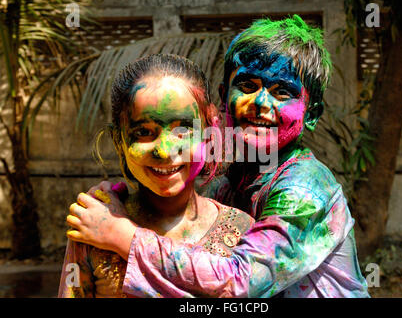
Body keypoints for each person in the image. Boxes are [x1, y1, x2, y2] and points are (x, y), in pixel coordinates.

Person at [67, 15, 370, 298]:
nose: (260, 103)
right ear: (225, 97)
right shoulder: (231, 183)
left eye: (282, 92)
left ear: (312, 114)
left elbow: (237, 282)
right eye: (248, 86)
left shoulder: (305, 188)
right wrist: (116, 199)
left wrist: (122, 234)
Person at [58, 54, 254, 298]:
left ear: (210, 132)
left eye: (183, 130)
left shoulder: (242, 232)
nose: (164, 151)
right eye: (143, 132)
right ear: (119, 141)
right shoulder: (92, 227)